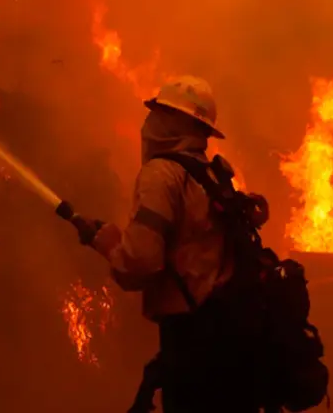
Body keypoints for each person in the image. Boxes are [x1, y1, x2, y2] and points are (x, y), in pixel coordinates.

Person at [88, 75, 263, 413]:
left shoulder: (162, 174)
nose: (149, 125)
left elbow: (138, 263)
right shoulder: (212, 175)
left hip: (195, 350)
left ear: (176, 122)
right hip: (233, 346)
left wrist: (110, 245)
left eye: (158, 114)